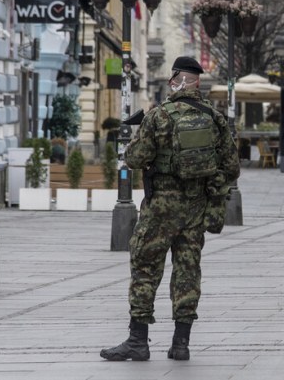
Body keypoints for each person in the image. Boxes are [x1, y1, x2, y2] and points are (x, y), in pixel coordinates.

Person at [100, 56, 240, 362]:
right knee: (188, 272)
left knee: (145, 268)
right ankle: (181, 344)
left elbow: (135, 158)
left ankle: (138, 341)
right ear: (198, 82)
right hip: (195, 209)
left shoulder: (159, 116)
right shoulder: (216, 119)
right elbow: (231, 167)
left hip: (161, 209)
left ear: (177, 80)